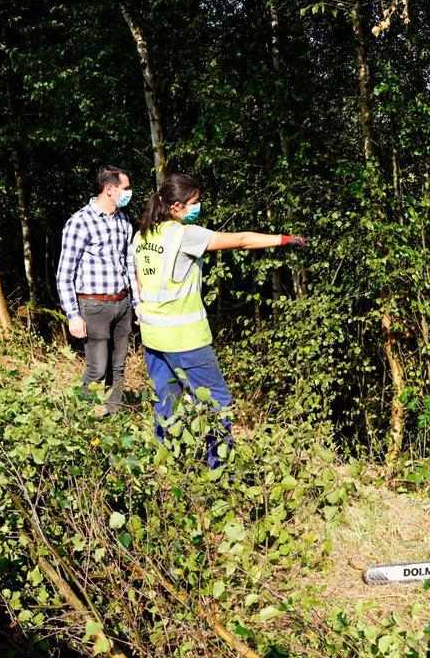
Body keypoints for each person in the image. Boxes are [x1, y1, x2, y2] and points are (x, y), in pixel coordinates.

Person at [131, 173, 305, 468]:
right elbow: (241, 240)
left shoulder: (143, 236)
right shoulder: (184, 234)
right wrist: (285, 240)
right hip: (185, 338)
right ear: (177, 206)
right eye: (195, 201)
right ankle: (220, 471)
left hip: (153, 336)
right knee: (217, 404)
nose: (198, 206)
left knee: (167, 402)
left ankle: (165, 465)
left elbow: (140, 282)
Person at [56, 165, 139, 416]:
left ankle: (115, 417)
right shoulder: (80, 222)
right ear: (110, 188)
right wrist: (73, 315)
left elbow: (129, 265)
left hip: (122, 303)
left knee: (118, 367)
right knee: (97, 369)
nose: (130, 193)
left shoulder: (124, 221)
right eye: (125, 188)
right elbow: (64, 274)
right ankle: (81, 418)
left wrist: (137, 304)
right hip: (94, 306)